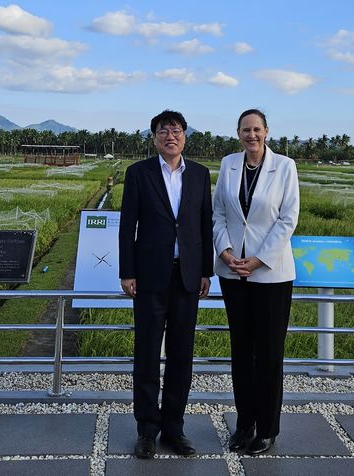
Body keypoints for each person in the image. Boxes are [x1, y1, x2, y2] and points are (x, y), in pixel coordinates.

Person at [119, 110, 213, 459]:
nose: (170, 136)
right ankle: (146, 430)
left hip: (187, 277)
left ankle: (174, 427)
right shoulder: (138, 173)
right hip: (149, 277)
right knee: (146, 354)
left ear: (185, 136)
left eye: (176, 130)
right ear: (154, 137)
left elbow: (205, 226)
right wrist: (127, 272)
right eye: (163, 131)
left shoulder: (200, 175)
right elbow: (128, 226)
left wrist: (205, 271)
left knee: (181, 355)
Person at [212, 108, 299, 455]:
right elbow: (218, 212)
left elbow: (288, 219)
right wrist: (226, 252)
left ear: (267, 132)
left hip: (272, 274)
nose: (252, 135)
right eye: (246, 130)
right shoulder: (228, 164)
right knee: (241, 352)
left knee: (269, 354)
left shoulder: (285, 167)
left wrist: (260, 259)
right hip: (234, 273)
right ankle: (244, 423)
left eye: (257, 129)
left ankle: (267, 429)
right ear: (238, 133)